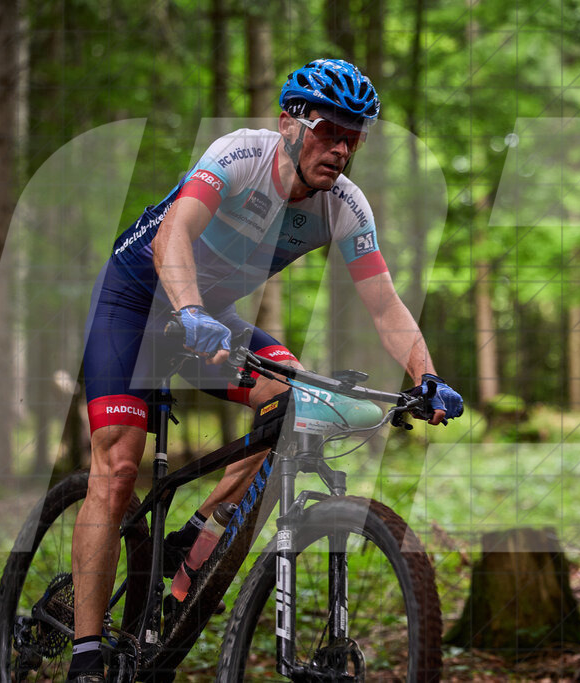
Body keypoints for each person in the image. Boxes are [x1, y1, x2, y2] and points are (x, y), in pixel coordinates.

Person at [67, 58, 463, 683]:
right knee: (117, 471)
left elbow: (386, 305)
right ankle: (86, 655)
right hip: (136, 304)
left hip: (210, 317)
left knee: (295, 396)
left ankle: (198, 532)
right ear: (289, 123)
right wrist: (191, 308)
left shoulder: (345, 207)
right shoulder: (239, 156)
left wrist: (427, 376)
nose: (340, 149)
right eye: (329, 130)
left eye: (353, 138)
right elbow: (173, 231)